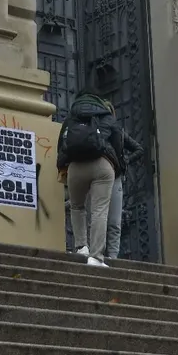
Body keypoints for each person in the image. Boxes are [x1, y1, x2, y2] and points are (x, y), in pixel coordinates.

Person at [56, 65, 123, 268]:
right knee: (100, 210)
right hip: (102, 165)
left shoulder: (71, 118)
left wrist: (62, 167)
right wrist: (117, 167)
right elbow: (119, 145)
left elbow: (62, 145)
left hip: (76, 167)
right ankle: (96, 256)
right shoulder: (107, 116)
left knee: (77, 207)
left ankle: (81, 247)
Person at [84, 101, 144, 260]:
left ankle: (112, 257)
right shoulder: (94, 131)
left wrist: (126, 160)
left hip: (116, 178)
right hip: (96, 178)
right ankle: (97, 253)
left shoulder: (119, 132)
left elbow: (139, 149)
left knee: (114, 221)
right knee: (96, 217)